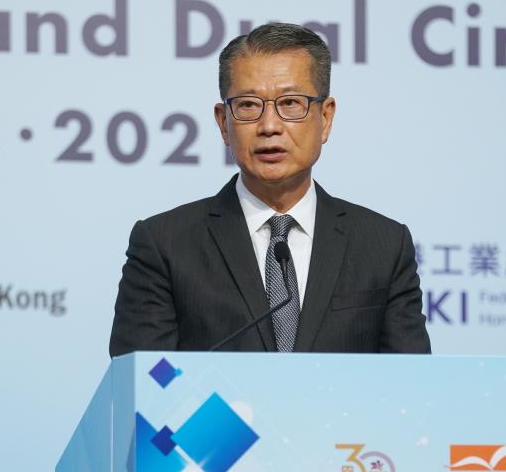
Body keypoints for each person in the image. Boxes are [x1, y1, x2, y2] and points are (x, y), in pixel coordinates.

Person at [109, 23, 430, 356]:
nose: (269, 126)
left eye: (290, 103)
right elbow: (145, 378)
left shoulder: (383, 247)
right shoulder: (165, 245)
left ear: (325, 118)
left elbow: (410, 382)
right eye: (248, 105)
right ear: (223, 122)